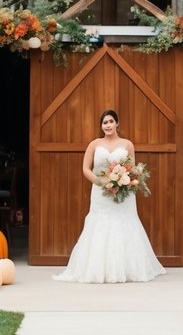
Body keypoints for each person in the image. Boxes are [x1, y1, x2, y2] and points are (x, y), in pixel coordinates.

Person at [53, 109, 166, 283]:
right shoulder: (94, 144)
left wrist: (125, 180)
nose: (108, 125)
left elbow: (133, 168)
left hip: (124, 193)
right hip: (101, 193)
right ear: (101, 126)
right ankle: (97, 269)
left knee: (124, 223)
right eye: (104, 122)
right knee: (100, 224)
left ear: (117, 123)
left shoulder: (128, 144)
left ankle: (129, 268)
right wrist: (102, 183)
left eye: (111, 121)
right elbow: (85, 168)